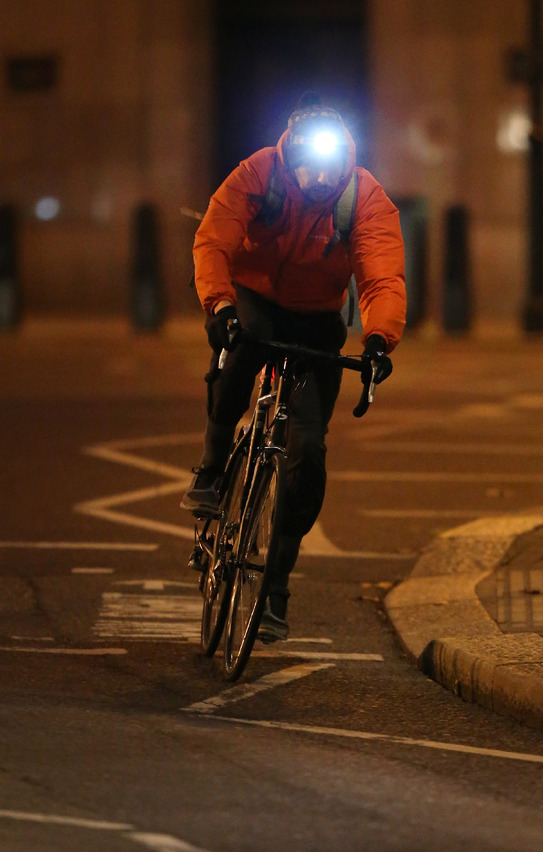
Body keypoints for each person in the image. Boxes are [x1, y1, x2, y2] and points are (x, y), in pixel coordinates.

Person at [181, 91, 406, 643]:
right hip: (256, 299)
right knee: (243, 351)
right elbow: (214, 240)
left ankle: (276, 585)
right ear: (290, 156)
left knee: (307, 453)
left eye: (328, 169)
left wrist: (379, 340)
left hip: (317, 319)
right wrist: (220, 306)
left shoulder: (363, 195)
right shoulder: (260, 171)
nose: (317, 179)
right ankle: (212, 469)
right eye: (306, 166)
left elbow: (380, 278)